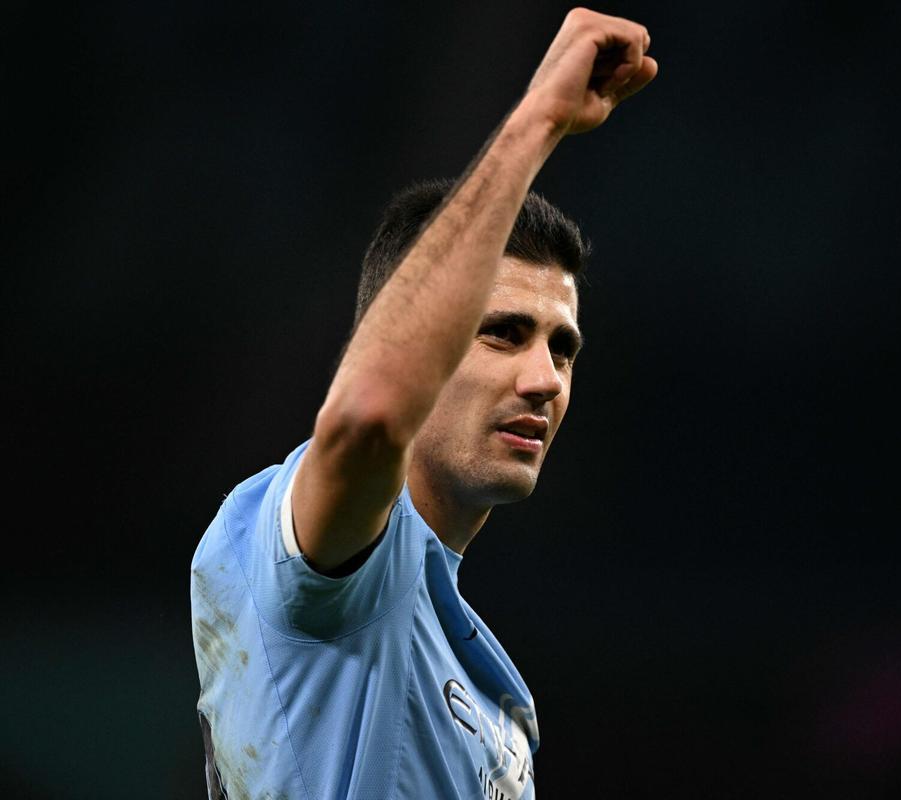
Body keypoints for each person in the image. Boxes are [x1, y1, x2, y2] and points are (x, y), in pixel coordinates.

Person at [189, 8, 656, 799]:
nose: (546, 378)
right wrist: (538, 119)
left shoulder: (480, 685)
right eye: (504, 333)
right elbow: (370, 416)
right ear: (416, 339)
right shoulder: (323, 563)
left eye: (563, 347)